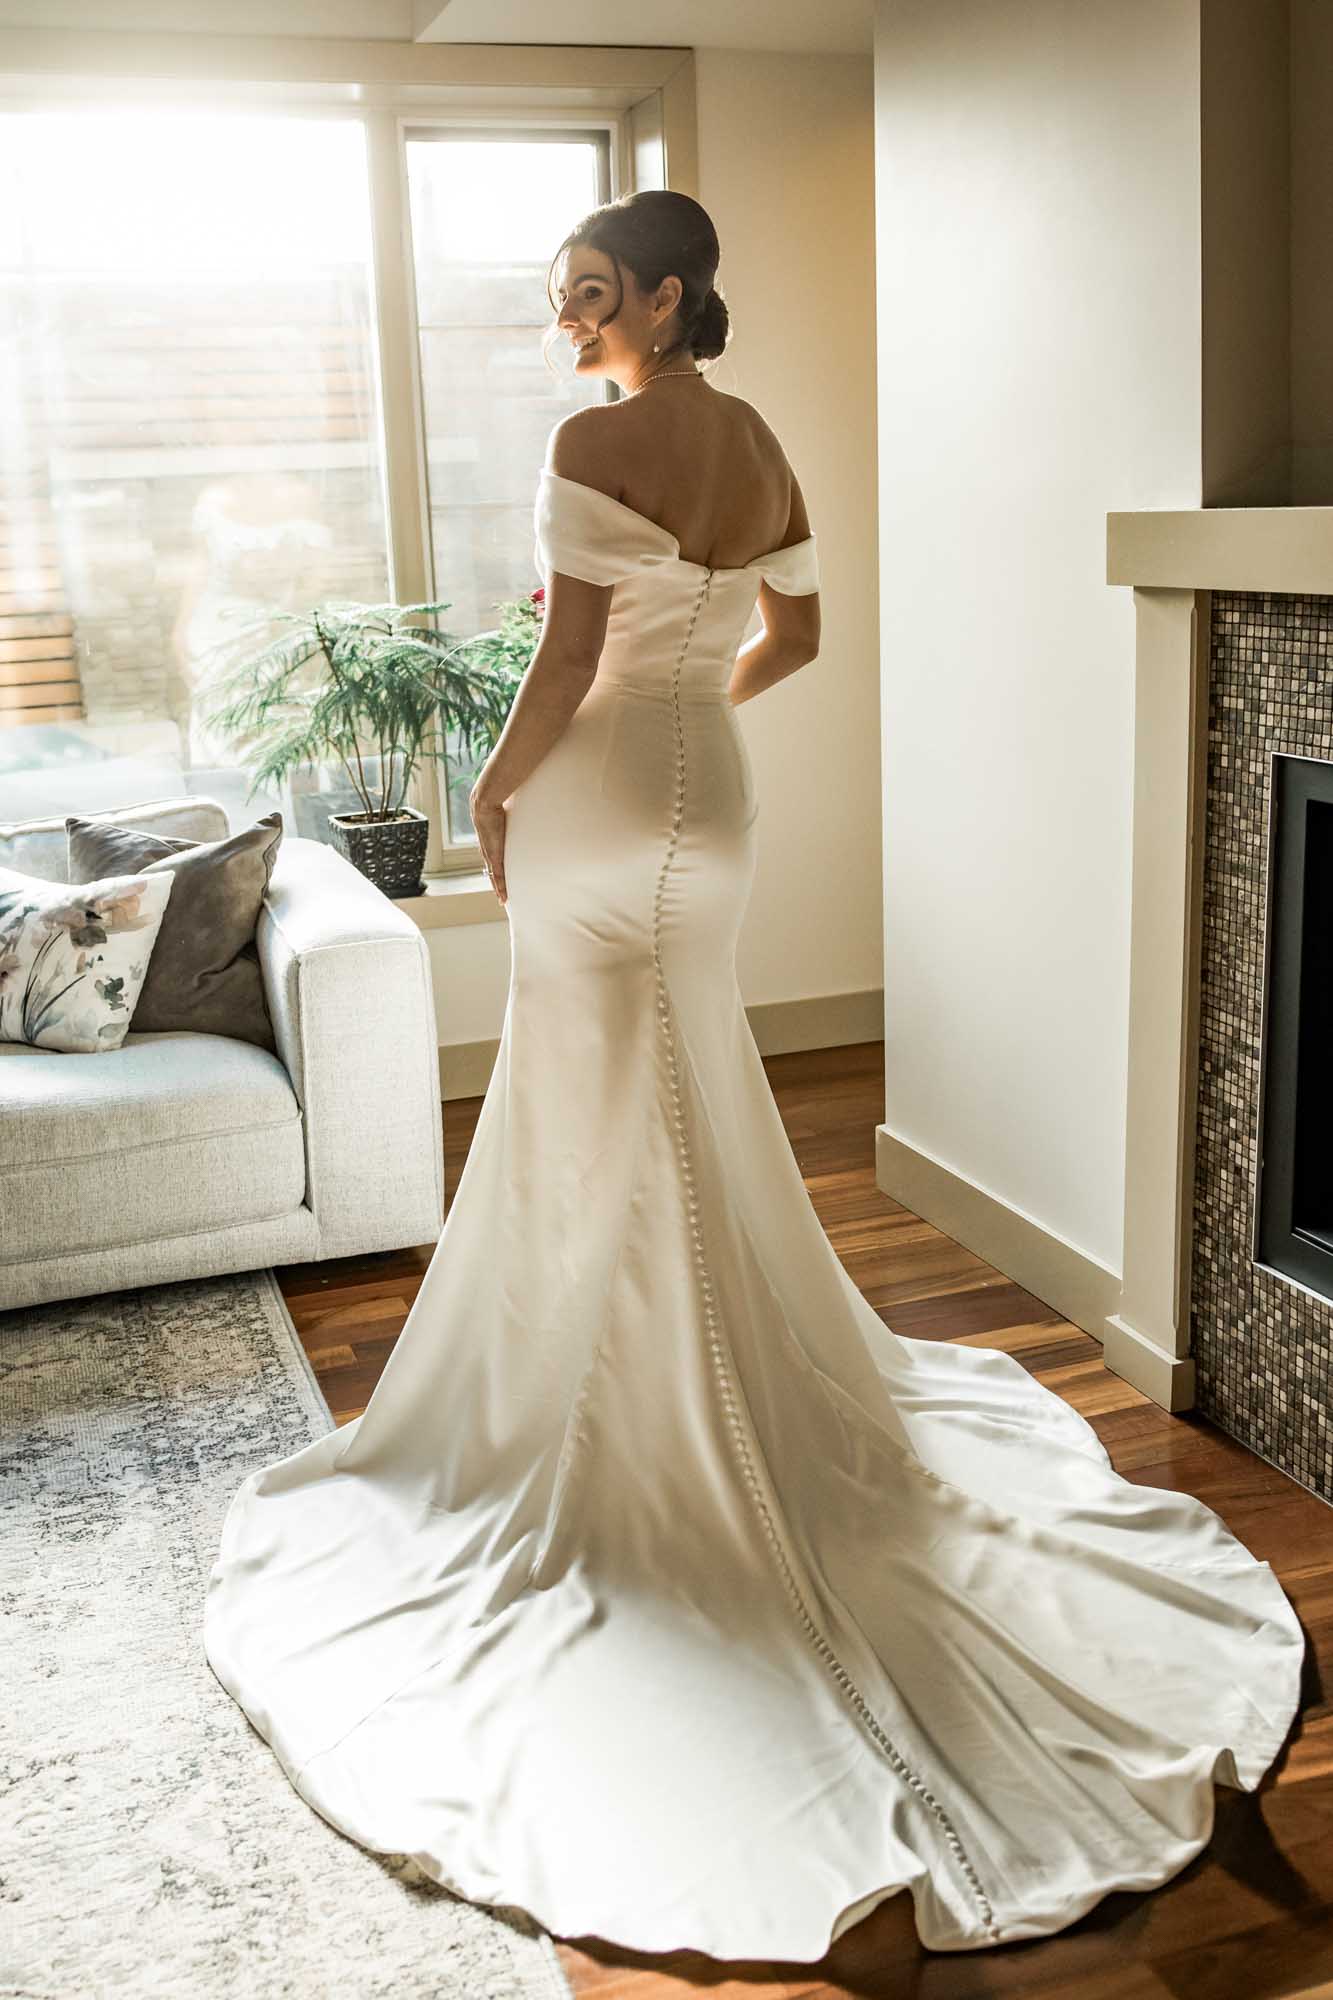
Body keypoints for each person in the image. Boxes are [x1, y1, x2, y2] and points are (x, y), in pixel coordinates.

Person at [203, 191, 1305, 1962]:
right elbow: (796, 638)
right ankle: (686, 1369)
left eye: (585, 291)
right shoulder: (760, 440)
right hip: (711, 799)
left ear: (658, 291)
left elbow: (561, 662)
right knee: (685, 1084)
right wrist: (691, 701)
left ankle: (618, 1393)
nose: (566, 320)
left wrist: (494, 795)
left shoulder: (596, 436)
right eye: (558, 299)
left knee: (592, 1097)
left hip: (591, 801)